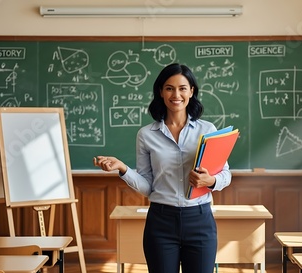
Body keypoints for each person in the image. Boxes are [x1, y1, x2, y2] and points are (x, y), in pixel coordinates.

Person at [93, 63, 232, 273]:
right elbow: (148, 187)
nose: (176, 94)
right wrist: (123, 168)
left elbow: (226, 174)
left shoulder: (208, 130)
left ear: (191, 91)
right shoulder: (146, 135)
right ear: (161, 92)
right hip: (161, 222)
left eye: (182, 88)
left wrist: (210, 181)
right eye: (169, 88)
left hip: (200, 220)